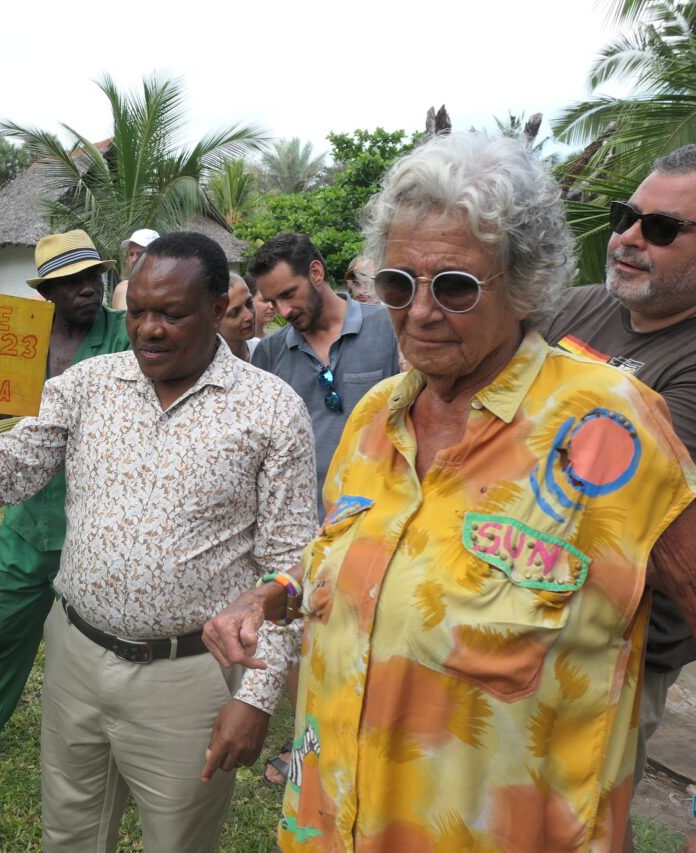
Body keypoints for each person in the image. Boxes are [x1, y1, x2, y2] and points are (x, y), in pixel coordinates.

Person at [204, 132, 696, 852]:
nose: (422, 312)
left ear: (522, 282)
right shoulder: (376, 418)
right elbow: (352, 554)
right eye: (399, 285)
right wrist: (270, 593)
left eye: (456, 286)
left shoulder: (610, 426)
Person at [0, 231, 315, 852]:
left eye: (171, 314)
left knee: (176, 840)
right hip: (77, 658)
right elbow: (12, 465)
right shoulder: (88, 385)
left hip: (189, 676)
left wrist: (256, 698)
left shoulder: (271, 409)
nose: (148, 329)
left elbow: (290, 565)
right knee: (68, 832)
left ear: (218, 305)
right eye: (140, 310)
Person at [0, 229, 130, 797]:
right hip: (29, 522)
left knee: (104, 650)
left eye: (93, 277)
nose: (88, 289)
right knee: (1, 636)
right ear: (49, 293)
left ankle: (119, 753)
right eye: (71, 282)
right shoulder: (19, 344)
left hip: (102, 526)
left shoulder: (127, 338)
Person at [542, 144, 696, 842]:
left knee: (576, 824)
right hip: (520, 610)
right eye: (625, 216)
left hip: (617, 644)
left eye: (661, 229)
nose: (630, 237)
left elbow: (618, 499)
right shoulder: (576, 306)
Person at [250, 232, 400, 518]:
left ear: (316, 272)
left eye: (289, 294)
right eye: (272, 301)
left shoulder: (388, 328)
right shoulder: (269, 353)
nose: (283, 311)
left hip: (381, 519)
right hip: (303, 529)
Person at [109, 227, 160, 309]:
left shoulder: (170, 289)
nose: (134, 259)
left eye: (139, 253)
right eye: (131, 254)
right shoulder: (123, 290)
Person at [219, 272, 256, 361]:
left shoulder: (263, 350)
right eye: (235, 312)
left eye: (249, 303)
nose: (249, 316)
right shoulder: (202, 367)